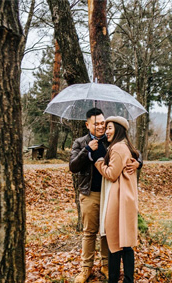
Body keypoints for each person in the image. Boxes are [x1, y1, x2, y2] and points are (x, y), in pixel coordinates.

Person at [69, 108, 141, 283]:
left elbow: (132, 153)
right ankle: (86, 268)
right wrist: (87, 150)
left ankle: (106, 266)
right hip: (90, 193)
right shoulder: (80, 142)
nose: (102, 127)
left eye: (104, 123)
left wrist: (138, 163)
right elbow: (73, 166)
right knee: (90, 232)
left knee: (108, 233)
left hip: (111, 194)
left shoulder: (111, 141)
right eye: (97, 123)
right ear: (88, 125)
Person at [94, 116, 139, 283]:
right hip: (124, 199)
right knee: (123, 242)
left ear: (119, 129)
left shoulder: (118, 147)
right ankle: (127, 279)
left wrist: (99, 162)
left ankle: (115, 279)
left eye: (110, 127)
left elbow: (112, 174)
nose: (106, 131)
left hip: (120, 200)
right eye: (106, 128)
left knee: (115, 242)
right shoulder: (122, 146)